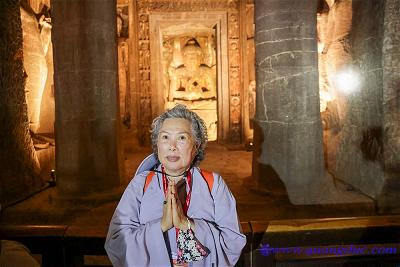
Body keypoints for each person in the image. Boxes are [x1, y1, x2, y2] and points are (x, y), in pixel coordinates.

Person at [105, 104, 246, 266]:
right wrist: (160, 226)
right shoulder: (140, 185)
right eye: (165, 137)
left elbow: (233, 243)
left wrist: (188, 224)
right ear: (157, 144)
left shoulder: (214, 185)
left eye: (182, 138)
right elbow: (116, 244)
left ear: (196, 146)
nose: (172, 146)